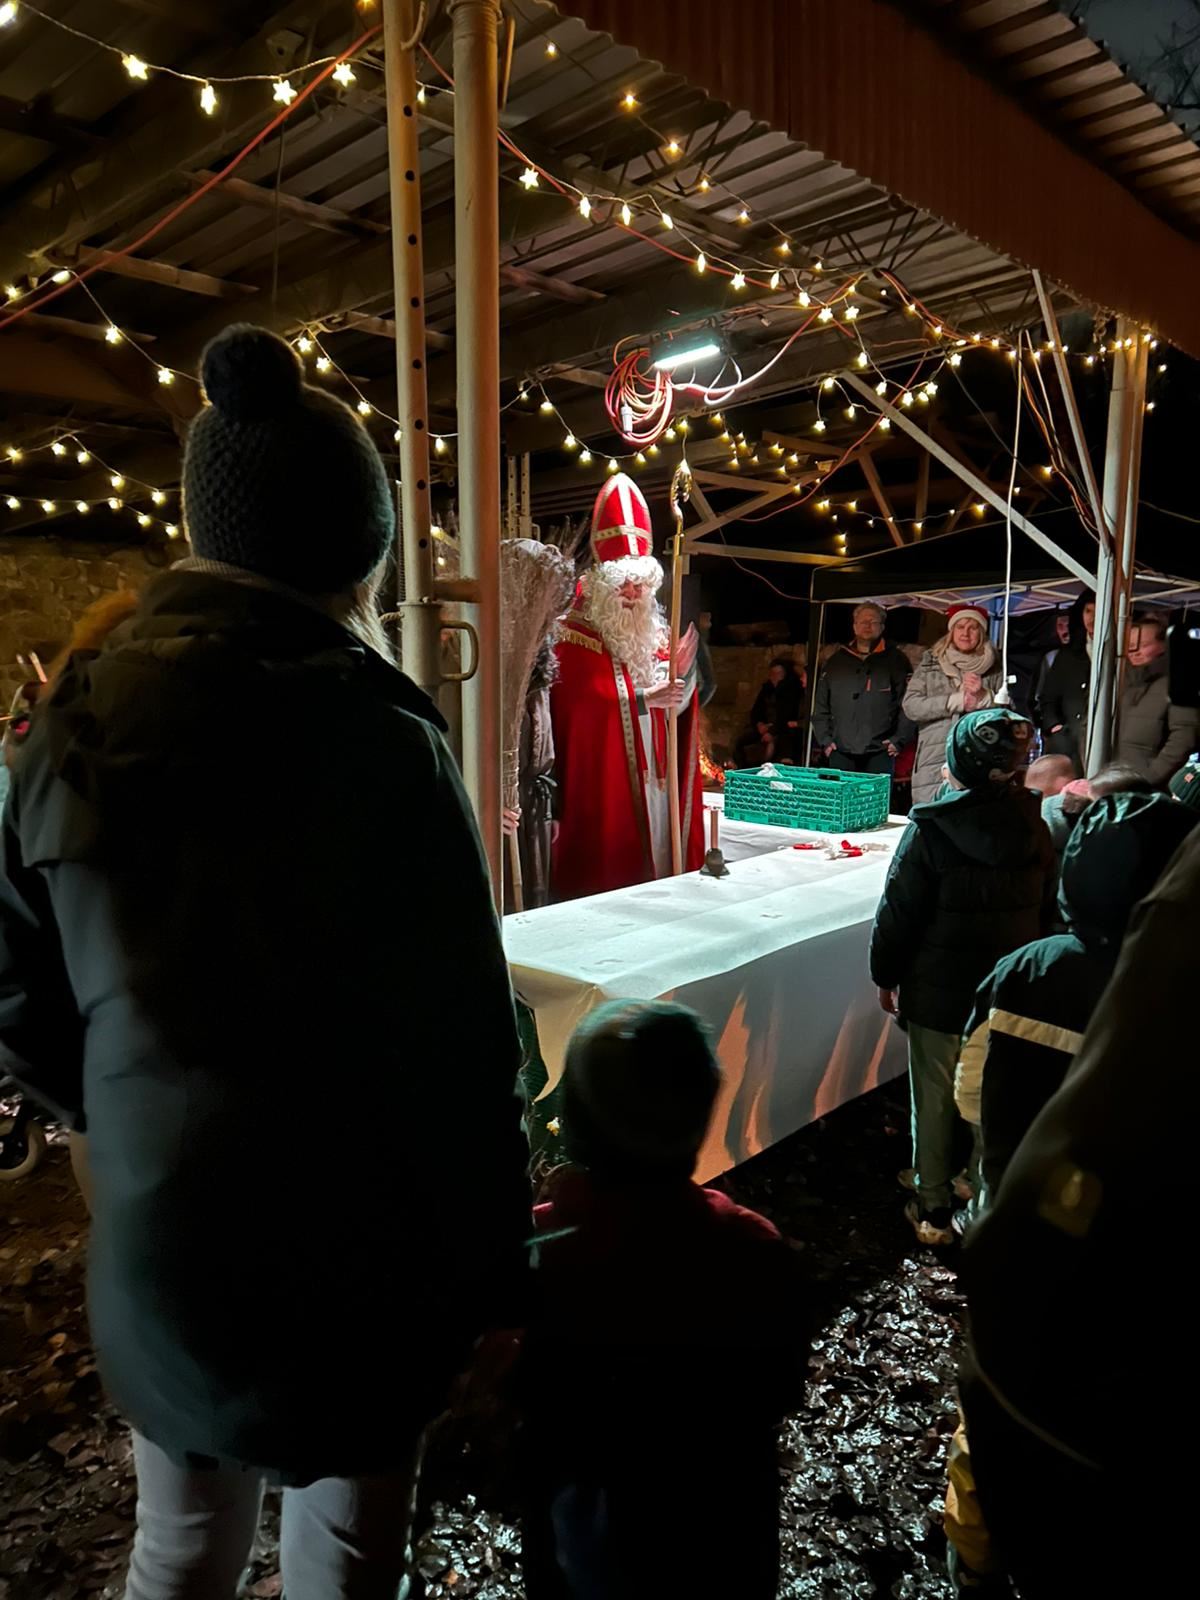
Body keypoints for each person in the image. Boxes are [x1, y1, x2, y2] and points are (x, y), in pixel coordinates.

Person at [0, 325, 530, 1600]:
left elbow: (19, 992)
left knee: (177, 1545)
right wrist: (497, 1271)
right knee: (343, 1554)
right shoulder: (386, 741)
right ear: (357, 551)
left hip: (164, 1238)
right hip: (364, 1255)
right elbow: (465, 1046)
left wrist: (111, 1114)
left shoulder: (70, 720)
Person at [960, 821, 1200, 1594]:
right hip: (1118, 1296)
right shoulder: (1152, 991)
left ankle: (972, 1546)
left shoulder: (1023, 968)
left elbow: (970, 1085)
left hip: (1011, 1199)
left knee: (983, 1419)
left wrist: (986, 1153)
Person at [519, 1001, 809, 1600]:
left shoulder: (539, 1249)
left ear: (572, 1119)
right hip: (722, 1532)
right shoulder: (753, 1249)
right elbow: (779, 1387)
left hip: (578, 1532)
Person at [954, 792, 1196, 1210]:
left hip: (1012, 1185)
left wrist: (986, 1142)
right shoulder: (1176, 987)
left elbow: (970, 1081)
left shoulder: (1024, 968)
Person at [870, 709, 1054, 1245]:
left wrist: (885, 975)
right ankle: (973, 1185)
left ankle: (931, 1204)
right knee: (987, 1091)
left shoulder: (930, 829)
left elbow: (898, 913)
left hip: (936, 992)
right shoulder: (1035, 824)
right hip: (1004, 993)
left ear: (957, 762)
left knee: (931, 1096)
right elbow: (1047, 909)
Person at [550, 474, 704, 901]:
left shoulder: (652, 633)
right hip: (609, 783)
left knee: (659, 858)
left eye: (642, 585)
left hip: (657, 780)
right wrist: (641, 700)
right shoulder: (572, 634)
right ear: (603, 583)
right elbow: (578, 710)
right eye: (625, 583)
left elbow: (677, 706)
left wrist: (681, 679)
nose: (634, 594)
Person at [903, 605, 1004, 803]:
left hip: (977, 757)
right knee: (929, 814)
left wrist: (984, 697)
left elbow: (1007, 715)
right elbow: (911, 706)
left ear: (981, 633)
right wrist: (954, 701)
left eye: (973, 627)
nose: (965, 633)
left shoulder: (995, 667)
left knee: (970, 814)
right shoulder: (931, 663)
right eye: (960, 627)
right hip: (933, 757)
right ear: (952, 631)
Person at [812, 601, 912, 774]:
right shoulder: (836, 663)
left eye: (873, 621)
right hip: (840, 750)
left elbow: (909, 704)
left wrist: (899, 740)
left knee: (876, 793)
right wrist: (825, 740)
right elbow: (821, 705)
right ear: (854, 626)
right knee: (842, 792)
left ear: (882, 627)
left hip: (881, 751)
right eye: (863, 621)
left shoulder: (897, 661)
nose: (867, 625)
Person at [503, 639, 562, 912]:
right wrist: (482, 801)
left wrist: (554, 809)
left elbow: (548, 741)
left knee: (536, 897)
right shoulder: (492, 672)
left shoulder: (539, 673)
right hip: (502, 809)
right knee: (506, 898)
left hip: (536, 807)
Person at [1115, 612, 1199, 784]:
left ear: (1163, 646)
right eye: (1130, 646)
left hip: (1147, 787)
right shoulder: (1121, 682)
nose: (1134, 652)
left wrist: (1150, 778)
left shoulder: (1178, 683)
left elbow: (1184, 738)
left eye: (1144, 645)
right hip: (1111, 780)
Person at [1036, 591, 1095, 770]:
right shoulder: (1068, 655)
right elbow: (1048, 697)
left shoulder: (1120, 653)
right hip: (1068, 746)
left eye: (1098, 610)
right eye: (1088, 611)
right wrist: (1055, 727)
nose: (1093, 618)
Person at [734, 656, 804, 766]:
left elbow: (787, 717)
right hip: (765, 728)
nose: (775, 676)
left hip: (784, 731)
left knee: (784, 747)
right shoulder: (767, 689)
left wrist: (771, 732)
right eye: (772, 673)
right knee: (741, 742)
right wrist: (759, 724)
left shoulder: (792, 691)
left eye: (778, 673)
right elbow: (756, 710)